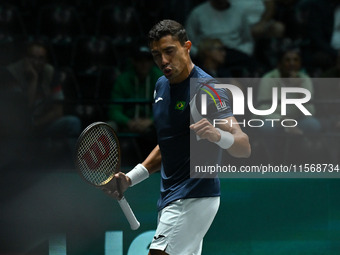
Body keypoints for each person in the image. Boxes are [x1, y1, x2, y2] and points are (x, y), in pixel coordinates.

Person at [103, 20, 251, 255]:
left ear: (187, 46)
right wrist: (129, 179)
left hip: (194, 195)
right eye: (156, 54)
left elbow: (243, 146)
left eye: (169, 51)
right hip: (171, 196)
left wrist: (217, 135)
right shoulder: (161, 86)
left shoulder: (207, 91)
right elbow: (167, 146)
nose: (163, 61)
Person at [6, 40, 81, 158]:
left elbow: (58, 111)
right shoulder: (12, 73)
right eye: (32, 57)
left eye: (41, 58)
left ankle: (78, 165)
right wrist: (33, 80)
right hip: (17, 126)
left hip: (41, 123)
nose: (36, 62)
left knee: (73, 122)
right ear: (25, 58)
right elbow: (24, 109)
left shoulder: (50, 72)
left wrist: (36, 124)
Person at [256, 47, 321, 163]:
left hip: (297, 120)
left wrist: (299, 90)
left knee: (313, 124)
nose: (292, 63)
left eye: (295, 60)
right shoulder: (268, 79)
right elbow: (262, 108)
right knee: (267, 127)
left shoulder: (304, 80)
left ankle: (300, 161)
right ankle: (271, 161)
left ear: (300, 63)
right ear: (279, 63)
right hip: (273, 119)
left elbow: (310, 112)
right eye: (288, 60)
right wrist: (282, 120)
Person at [185, 0, 256, 76]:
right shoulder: (197, 13)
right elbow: (187, 40)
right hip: (206, 53)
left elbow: (247, 40)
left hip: (235, 53)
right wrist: (199, 53)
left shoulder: (239, 12)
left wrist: (244, 52)